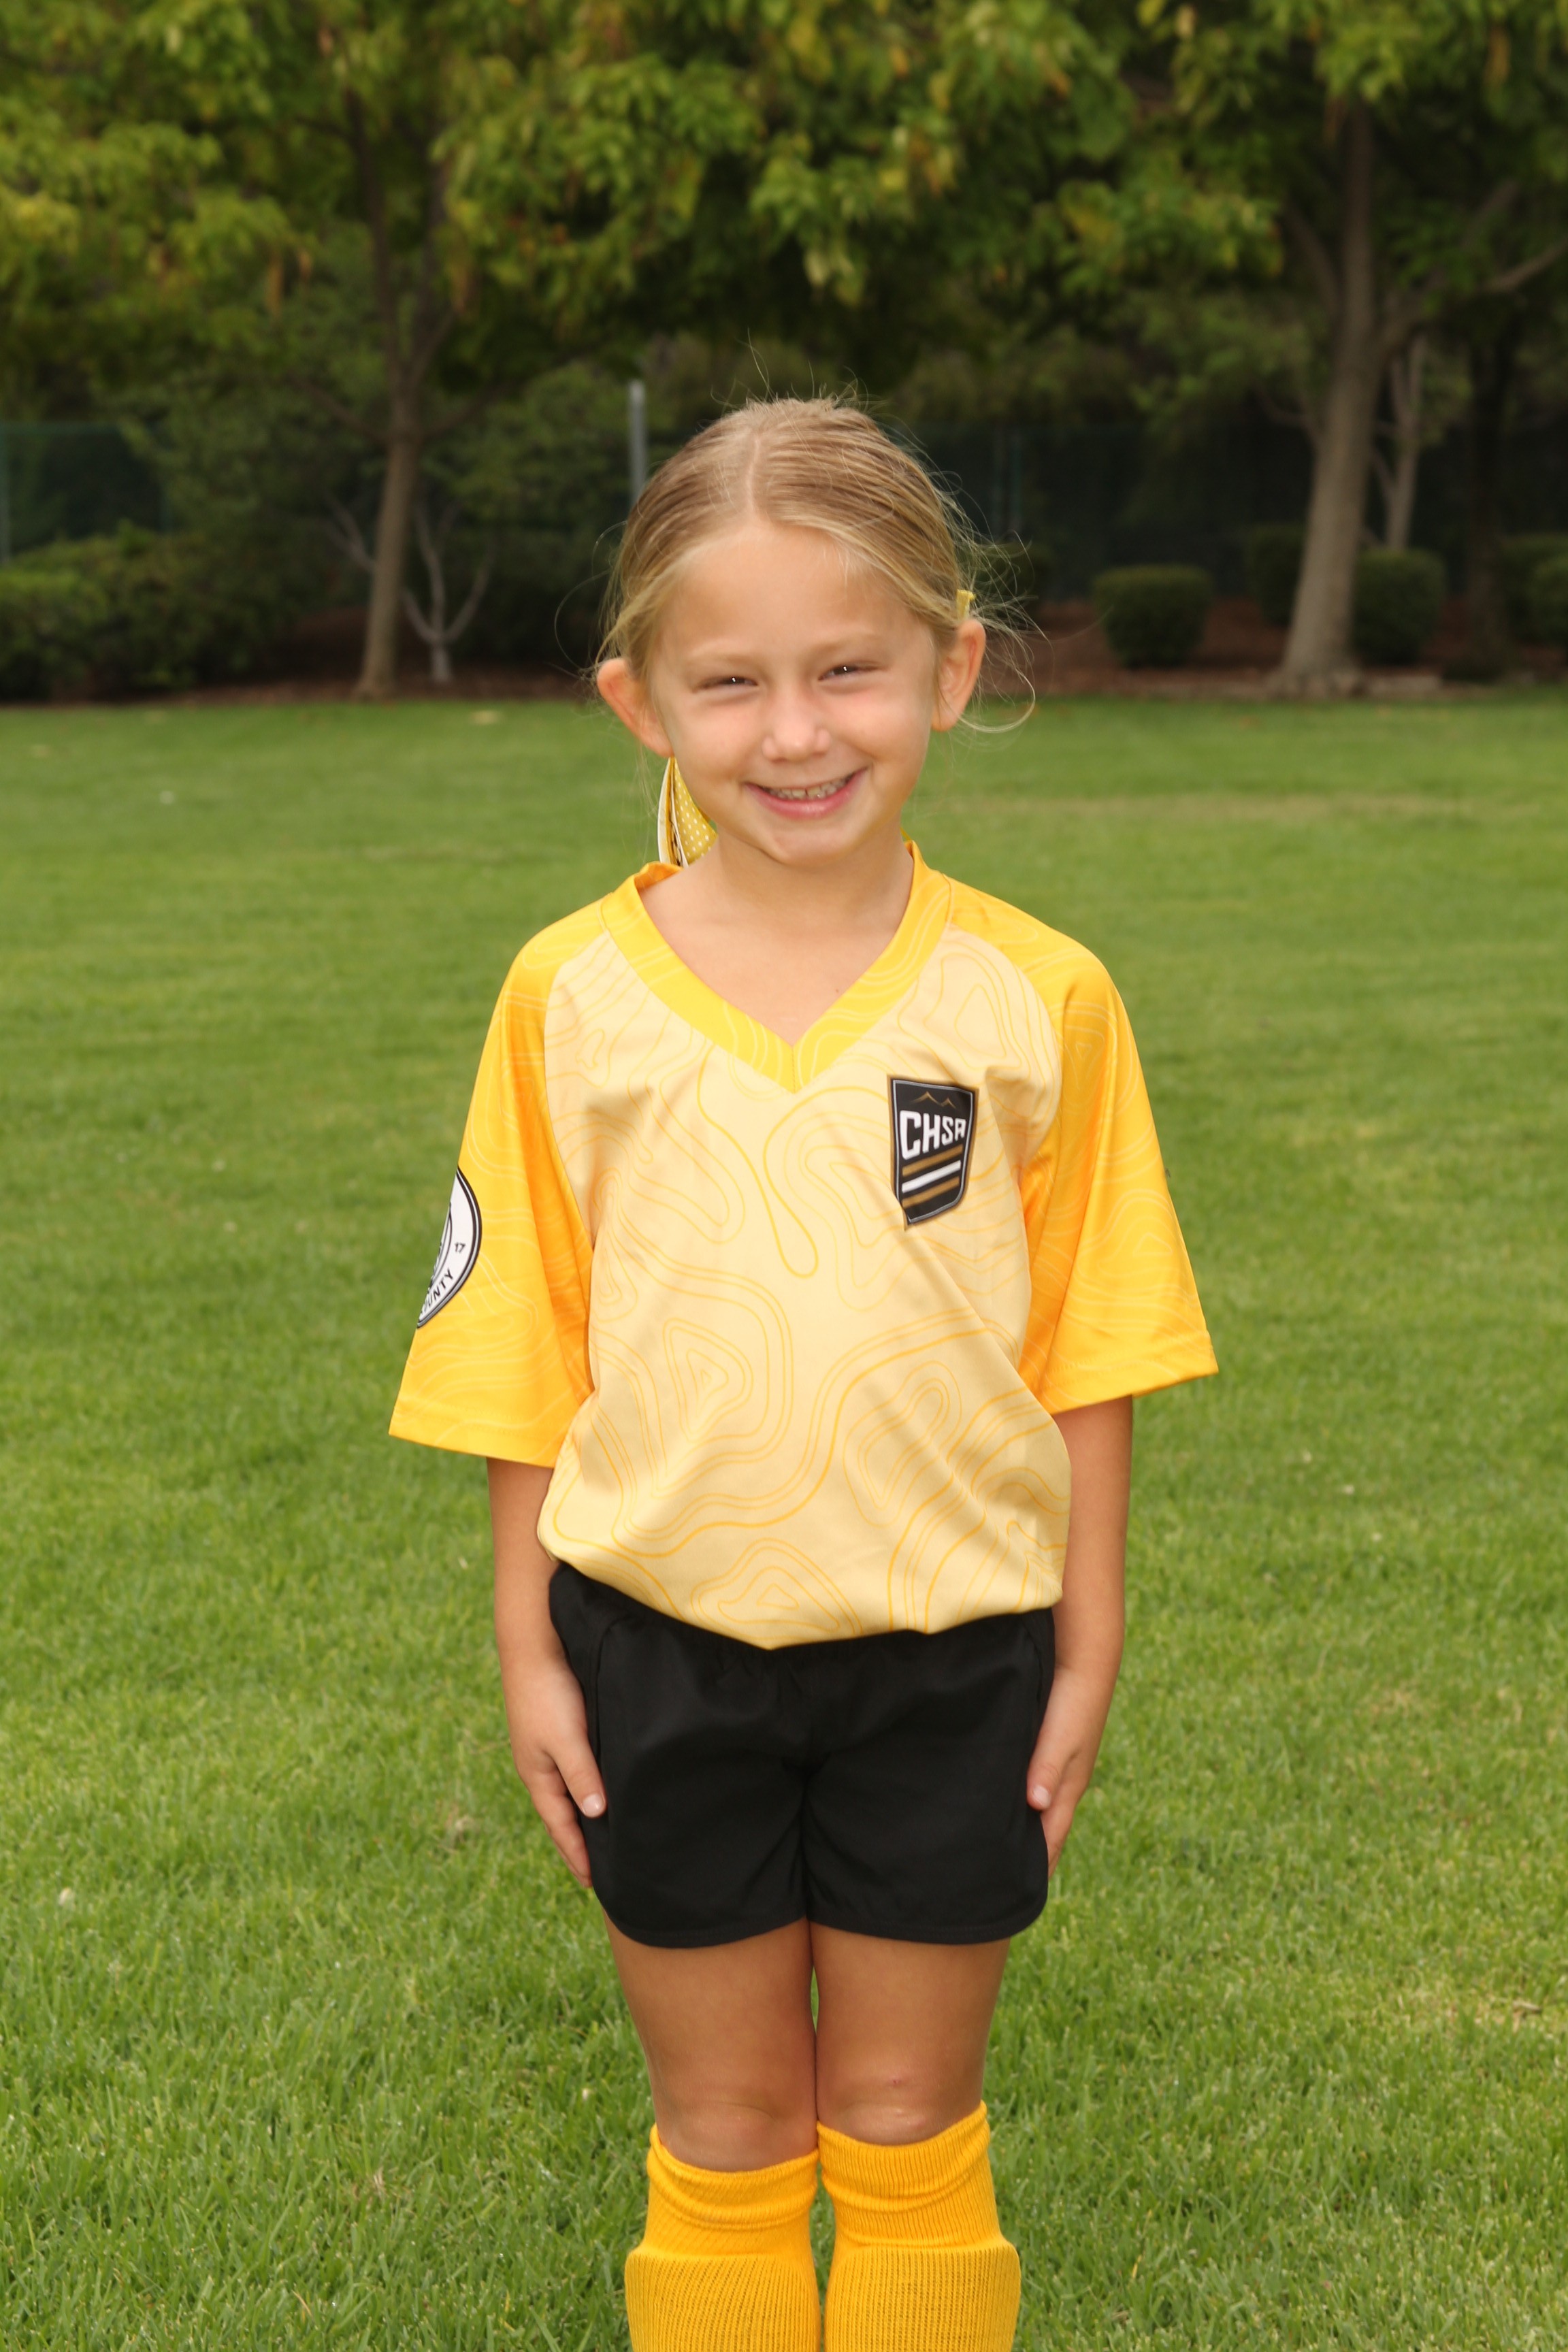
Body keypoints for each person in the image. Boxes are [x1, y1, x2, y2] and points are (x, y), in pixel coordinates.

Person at [391, 396, 1216, 2352]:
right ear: (640, 705)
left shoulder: (1039, 996)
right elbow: (526, 1338)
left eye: (848, 669)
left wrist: (1088, 1634)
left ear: (952, 670)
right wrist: (529, 1645)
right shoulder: (571, 993)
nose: (795, 732)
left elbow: (1092, 1335)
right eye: (733, 681)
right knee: (732, 2125)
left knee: (908, 2116)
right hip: (657, 1649)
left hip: (957, 1651)